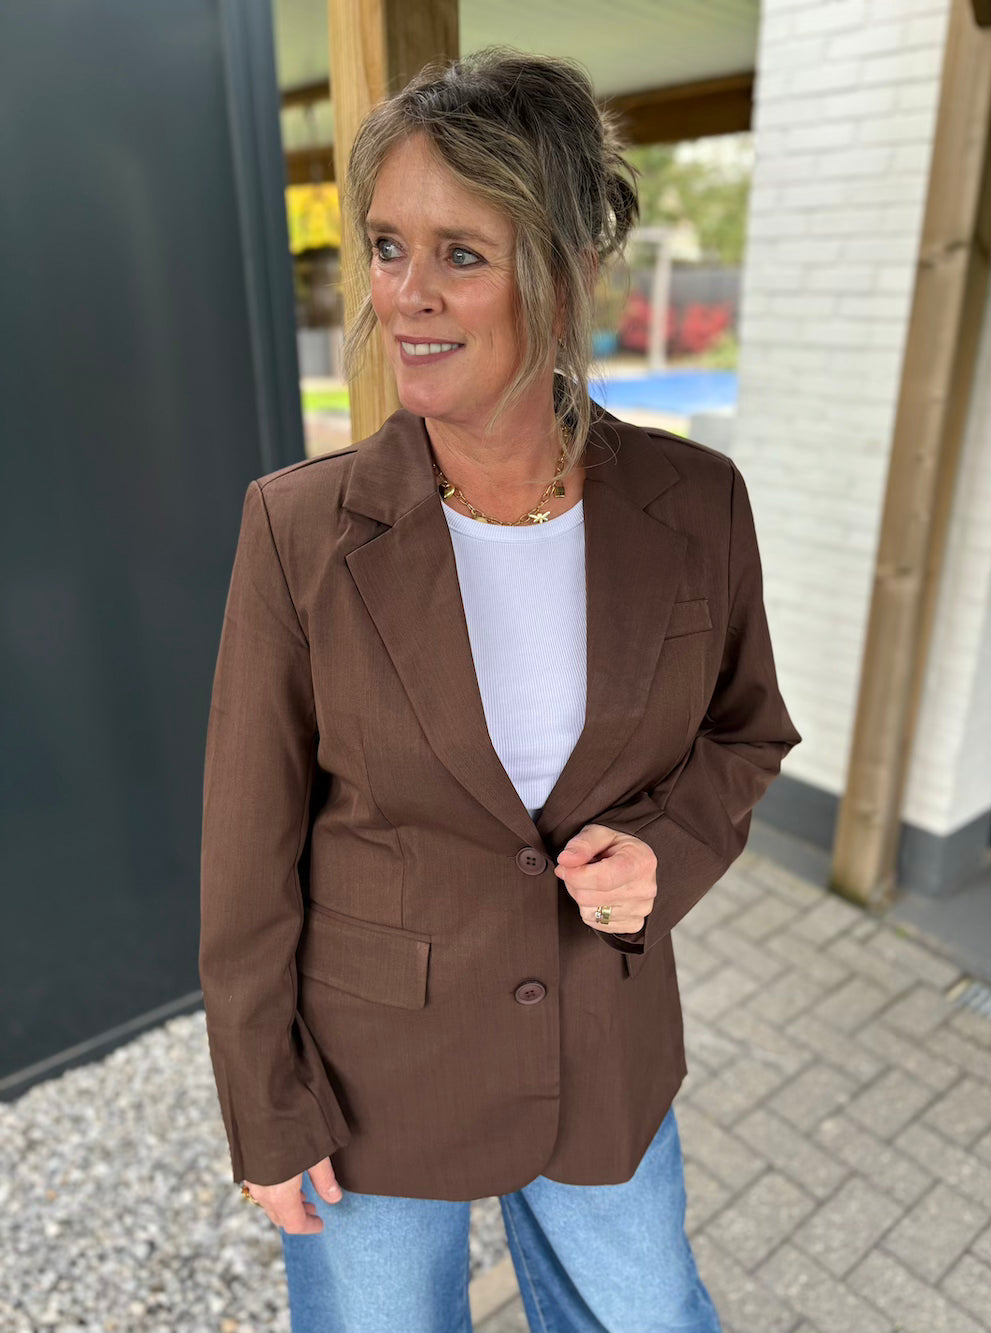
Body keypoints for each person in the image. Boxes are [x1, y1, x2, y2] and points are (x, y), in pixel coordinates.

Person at [199, 46, 802, 1333]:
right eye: (386, 247)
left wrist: (667, 851)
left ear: (570, 269)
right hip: (369, 1076)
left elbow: (746, 731)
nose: (406, 296)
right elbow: (247, 858)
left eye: (461, 254)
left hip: (602, 1046)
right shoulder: (298, 531)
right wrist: (265, 1103)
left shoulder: (697, 505)